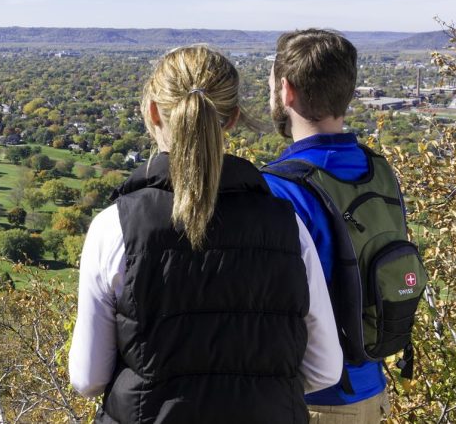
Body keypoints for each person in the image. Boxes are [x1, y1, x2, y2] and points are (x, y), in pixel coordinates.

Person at [69, 45, 341, 424]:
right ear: (231, 119)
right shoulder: (286, 225)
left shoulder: (115, 228)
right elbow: (325, 369)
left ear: (152, 113)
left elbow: (88, 378)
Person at [263, 29, 391, 422]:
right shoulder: (378, 170)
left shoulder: (278, 188)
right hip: (372, 387)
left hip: (315, 399)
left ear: (286, 91)